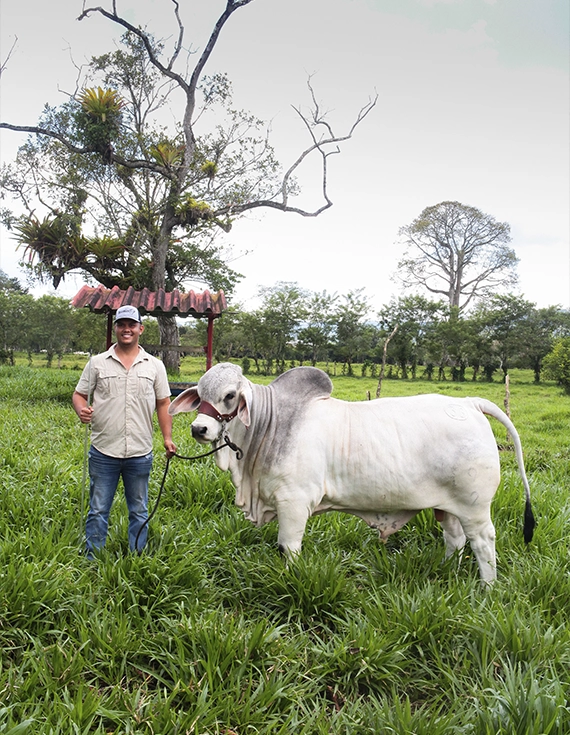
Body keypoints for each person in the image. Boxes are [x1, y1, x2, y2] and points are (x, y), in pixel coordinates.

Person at [72, 305, 177, 558]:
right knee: (98, 508)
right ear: (115, 329)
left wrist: (167, 438)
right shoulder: (97, 363)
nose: (126, 329)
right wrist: (81, 410)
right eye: (121, 324)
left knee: (139, 509)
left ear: (141, 329)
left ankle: (137, 557)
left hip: (140, 451)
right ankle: (92, 558)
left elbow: (163, 403)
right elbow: (78, 395)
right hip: (103, 450)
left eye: (132, 325)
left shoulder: (155, 366)